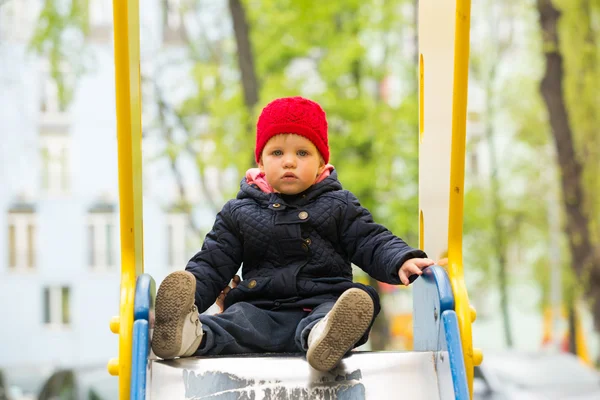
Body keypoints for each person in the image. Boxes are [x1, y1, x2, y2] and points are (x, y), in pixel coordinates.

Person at [151, 96, 433, 371]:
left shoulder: (338, 204)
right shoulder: (239, 212)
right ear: (260, 161)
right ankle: (186, 334)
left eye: (302, 153)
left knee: (362, 297)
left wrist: (400, 259)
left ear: (322, 162)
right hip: (259, 310)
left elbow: (370, 240)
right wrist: (190, 300)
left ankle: (324, 337)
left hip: (323, 303)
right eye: (277, 153)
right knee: (229, 324)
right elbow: (212, 262)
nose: (289, 162)